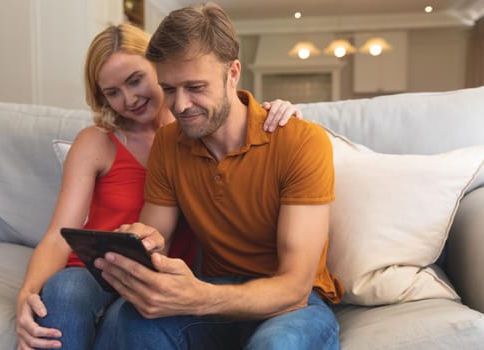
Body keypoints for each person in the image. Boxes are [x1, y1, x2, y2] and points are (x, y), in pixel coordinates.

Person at [15, 22, 302, 350]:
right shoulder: (97, 142)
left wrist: (280, 111)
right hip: (94, 272)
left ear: (162, 66)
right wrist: (27, 293)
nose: (129, 99)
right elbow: (58, 235)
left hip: (154, 274)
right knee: (65, 290)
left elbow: (243, 124)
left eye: (135, 80)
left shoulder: (202, 132)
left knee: (134, 320)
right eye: (112, 92)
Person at [94, 3, 344, 350]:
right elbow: (157, 235)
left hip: (292, 306)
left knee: (277, 345)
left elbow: (294, 287)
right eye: (168, 89)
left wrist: (201, 297)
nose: (180, 105)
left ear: (233, 73)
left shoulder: (301, 141)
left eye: (195, 86)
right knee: (136, 323)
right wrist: (137, 242)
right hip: (213, 287)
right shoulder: (168, 142)